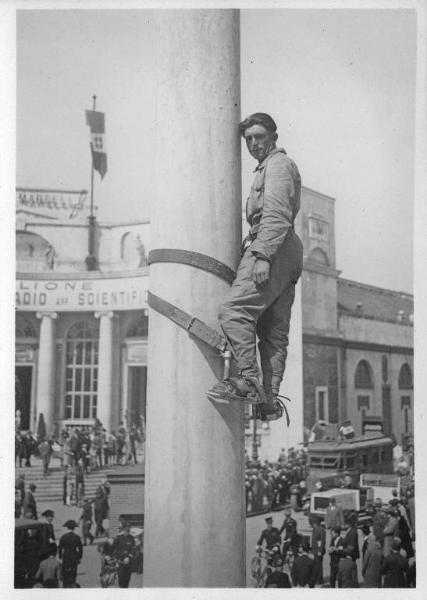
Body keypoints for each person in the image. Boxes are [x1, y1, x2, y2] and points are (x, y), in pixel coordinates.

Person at [209, 112, 303, 421]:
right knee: (273, 332)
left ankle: (249, 381)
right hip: (286, 252)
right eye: (248, 139)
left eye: (259, 137)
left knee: (235, 312)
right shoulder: (274, 166)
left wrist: (262, 255)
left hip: (272, 245)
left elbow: (276, 213)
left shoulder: (277, 165)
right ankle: (268, 401)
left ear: (274, 137)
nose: (253, 143)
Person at [58, 519, 83, 588]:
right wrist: (79, 558)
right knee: (73, 573)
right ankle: (73, 585)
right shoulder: (77, 537)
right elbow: (80, 549)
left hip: (66, 556)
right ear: (74, 528)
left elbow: (60, 548)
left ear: (67, 528)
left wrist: (60, 557)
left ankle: (65, 586)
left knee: (65, 573)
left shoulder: (63, 537)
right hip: (74, 557)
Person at [112, 520, 136, 588]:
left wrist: (129, 557)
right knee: (121, 580)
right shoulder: (118, 538)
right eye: (126, 530)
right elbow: (115, 550)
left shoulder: (131, 538)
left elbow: (133, 550)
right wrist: (117, 560)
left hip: (129, 563)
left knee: (127, 580)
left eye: (128, 530)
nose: (127, 531)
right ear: (123, 530)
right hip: (121, 562)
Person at [311, 516, 326, 585]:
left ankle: (319, 579)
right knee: (316, 565)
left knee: (319, 566)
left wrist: (320, 550)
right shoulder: (315, 529)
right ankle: (317, 578)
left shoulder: (321, 530)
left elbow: (322, 541)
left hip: (319, 551)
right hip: (315, 550)